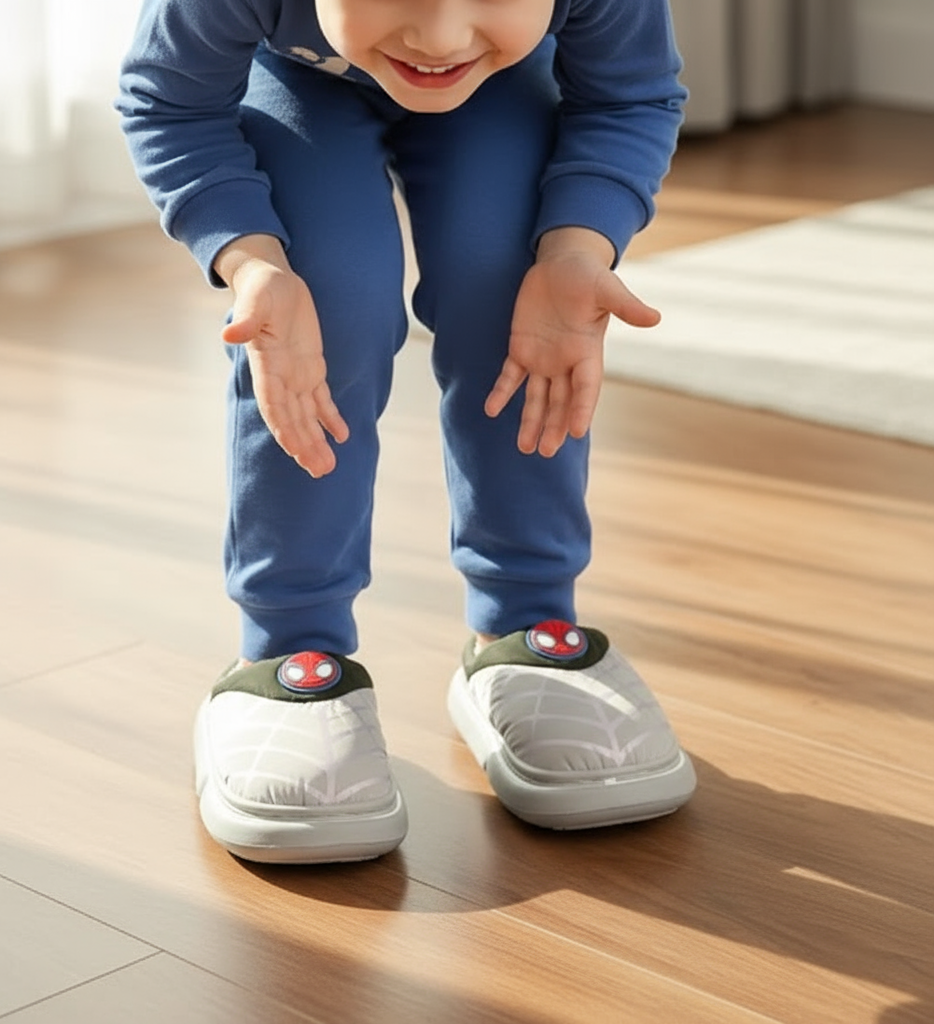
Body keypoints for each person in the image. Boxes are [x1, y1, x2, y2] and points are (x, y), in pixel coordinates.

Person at [117, 0, 697, 864]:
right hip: (299, 87)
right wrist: (252, 264)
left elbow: (630, 95)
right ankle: (289, 652)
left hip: (502, 98)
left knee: (517, 287)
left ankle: (525, 624)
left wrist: (580, 248)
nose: (440, 38)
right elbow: (170, 100)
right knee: (321, 303)